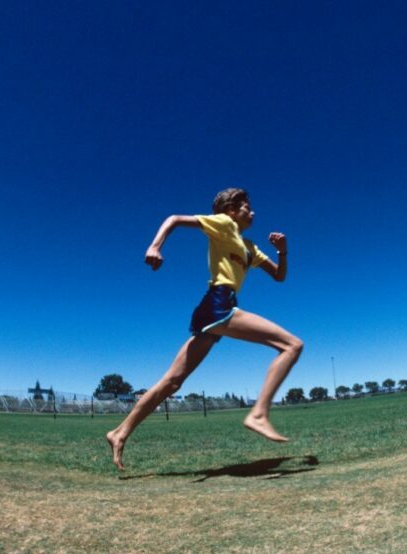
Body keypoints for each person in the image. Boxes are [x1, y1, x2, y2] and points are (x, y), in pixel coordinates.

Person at [106, 188, 304, 472]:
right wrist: (155, 246)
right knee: (292, 345)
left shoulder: (249, 246)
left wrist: (282, 251)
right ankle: (259, 413)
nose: (253, 212)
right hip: (218, 303)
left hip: (214, 309)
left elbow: (279, 276)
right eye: (247, 207)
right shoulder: (223, 224)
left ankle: (119, 433)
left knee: (173, 382)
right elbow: (174, 219)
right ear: (231, 211)